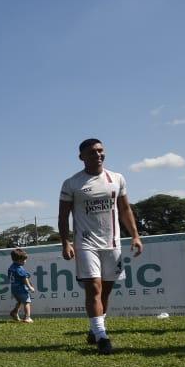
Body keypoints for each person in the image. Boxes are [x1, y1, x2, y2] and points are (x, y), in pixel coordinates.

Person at [58, 138, 143, 355]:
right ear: (82, 157)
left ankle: (95, 329)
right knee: (93, 287)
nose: (98, 155)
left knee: (105, 291)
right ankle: (103, 337)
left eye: (101, 151)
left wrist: (135, 235)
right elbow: (63, 216)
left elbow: (125, 210)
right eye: (93, 152)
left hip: (112, 243)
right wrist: (66, 242)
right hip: (85, 243)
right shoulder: (72, 183)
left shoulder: (117, 178)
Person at [6, 249, 36, 323]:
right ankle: (27, 317)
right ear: (17, 260)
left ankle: (14, 312)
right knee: (27, 302)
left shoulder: (11, 267)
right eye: (23, 260)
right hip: (21, 288)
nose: (25, 262)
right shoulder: (19, 268)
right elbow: (24, 278)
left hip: (14, 289)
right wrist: (30, 287)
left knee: (19, 301)